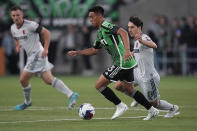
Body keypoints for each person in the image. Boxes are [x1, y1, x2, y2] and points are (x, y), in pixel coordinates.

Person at [68, 6, 159, 120]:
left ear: (99, 16)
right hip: (128, 63)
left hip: (122, 62)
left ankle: (120, 106)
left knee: (99, 85)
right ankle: (152, 110)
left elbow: (124, 33)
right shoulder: (100, 32)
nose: (90, 20)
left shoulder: (106, 26)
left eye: (92, 17)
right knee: (129, 89)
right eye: (89, 18)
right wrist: (78, 53)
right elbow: (94, 50)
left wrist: (126, 51)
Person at [10, 6, 78, 111]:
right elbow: (15, 37)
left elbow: (47, 33)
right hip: (32, 56)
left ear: (22, 15)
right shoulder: (13, 28)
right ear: (11, 16)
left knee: (23, 79)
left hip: (38, 54)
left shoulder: (30, 25)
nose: (16, 17)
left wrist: (46, 49)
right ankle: (71, 94)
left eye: (18, 15)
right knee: (48, 79)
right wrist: (17, 45)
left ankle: (27, 102)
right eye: (14, 15)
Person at [115, 16, 179, 118]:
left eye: (132, 27)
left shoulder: (143, 37)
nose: (129, 30)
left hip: (148, 77)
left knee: (154, 103)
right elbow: (138, 52)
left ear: (139, 27)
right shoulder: (136, 40)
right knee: (119, 85)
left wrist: (142, 41)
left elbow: (154, 45)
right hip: (137, 73)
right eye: (128, 27)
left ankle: (173, 108)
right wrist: (130, 54)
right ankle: (139, 98)